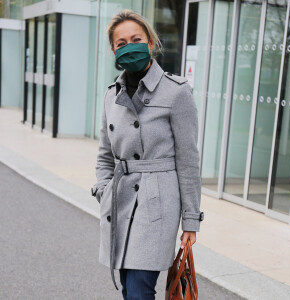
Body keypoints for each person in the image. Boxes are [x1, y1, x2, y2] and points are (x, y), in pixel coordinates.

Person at [91, 8, 204, 300]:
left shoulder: (177, 92)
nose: (130, 47)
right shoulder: (110, 95)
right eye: (121, 43)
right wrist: (105, 190)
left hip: (157, 205)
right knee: (130, 289)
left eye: (136, 39)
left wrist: (190, 220)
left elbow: (189, 161)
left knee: (139, 289)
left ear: (150, 43)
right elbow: (105, 154)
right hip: (121, 201)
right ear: (113, 51)